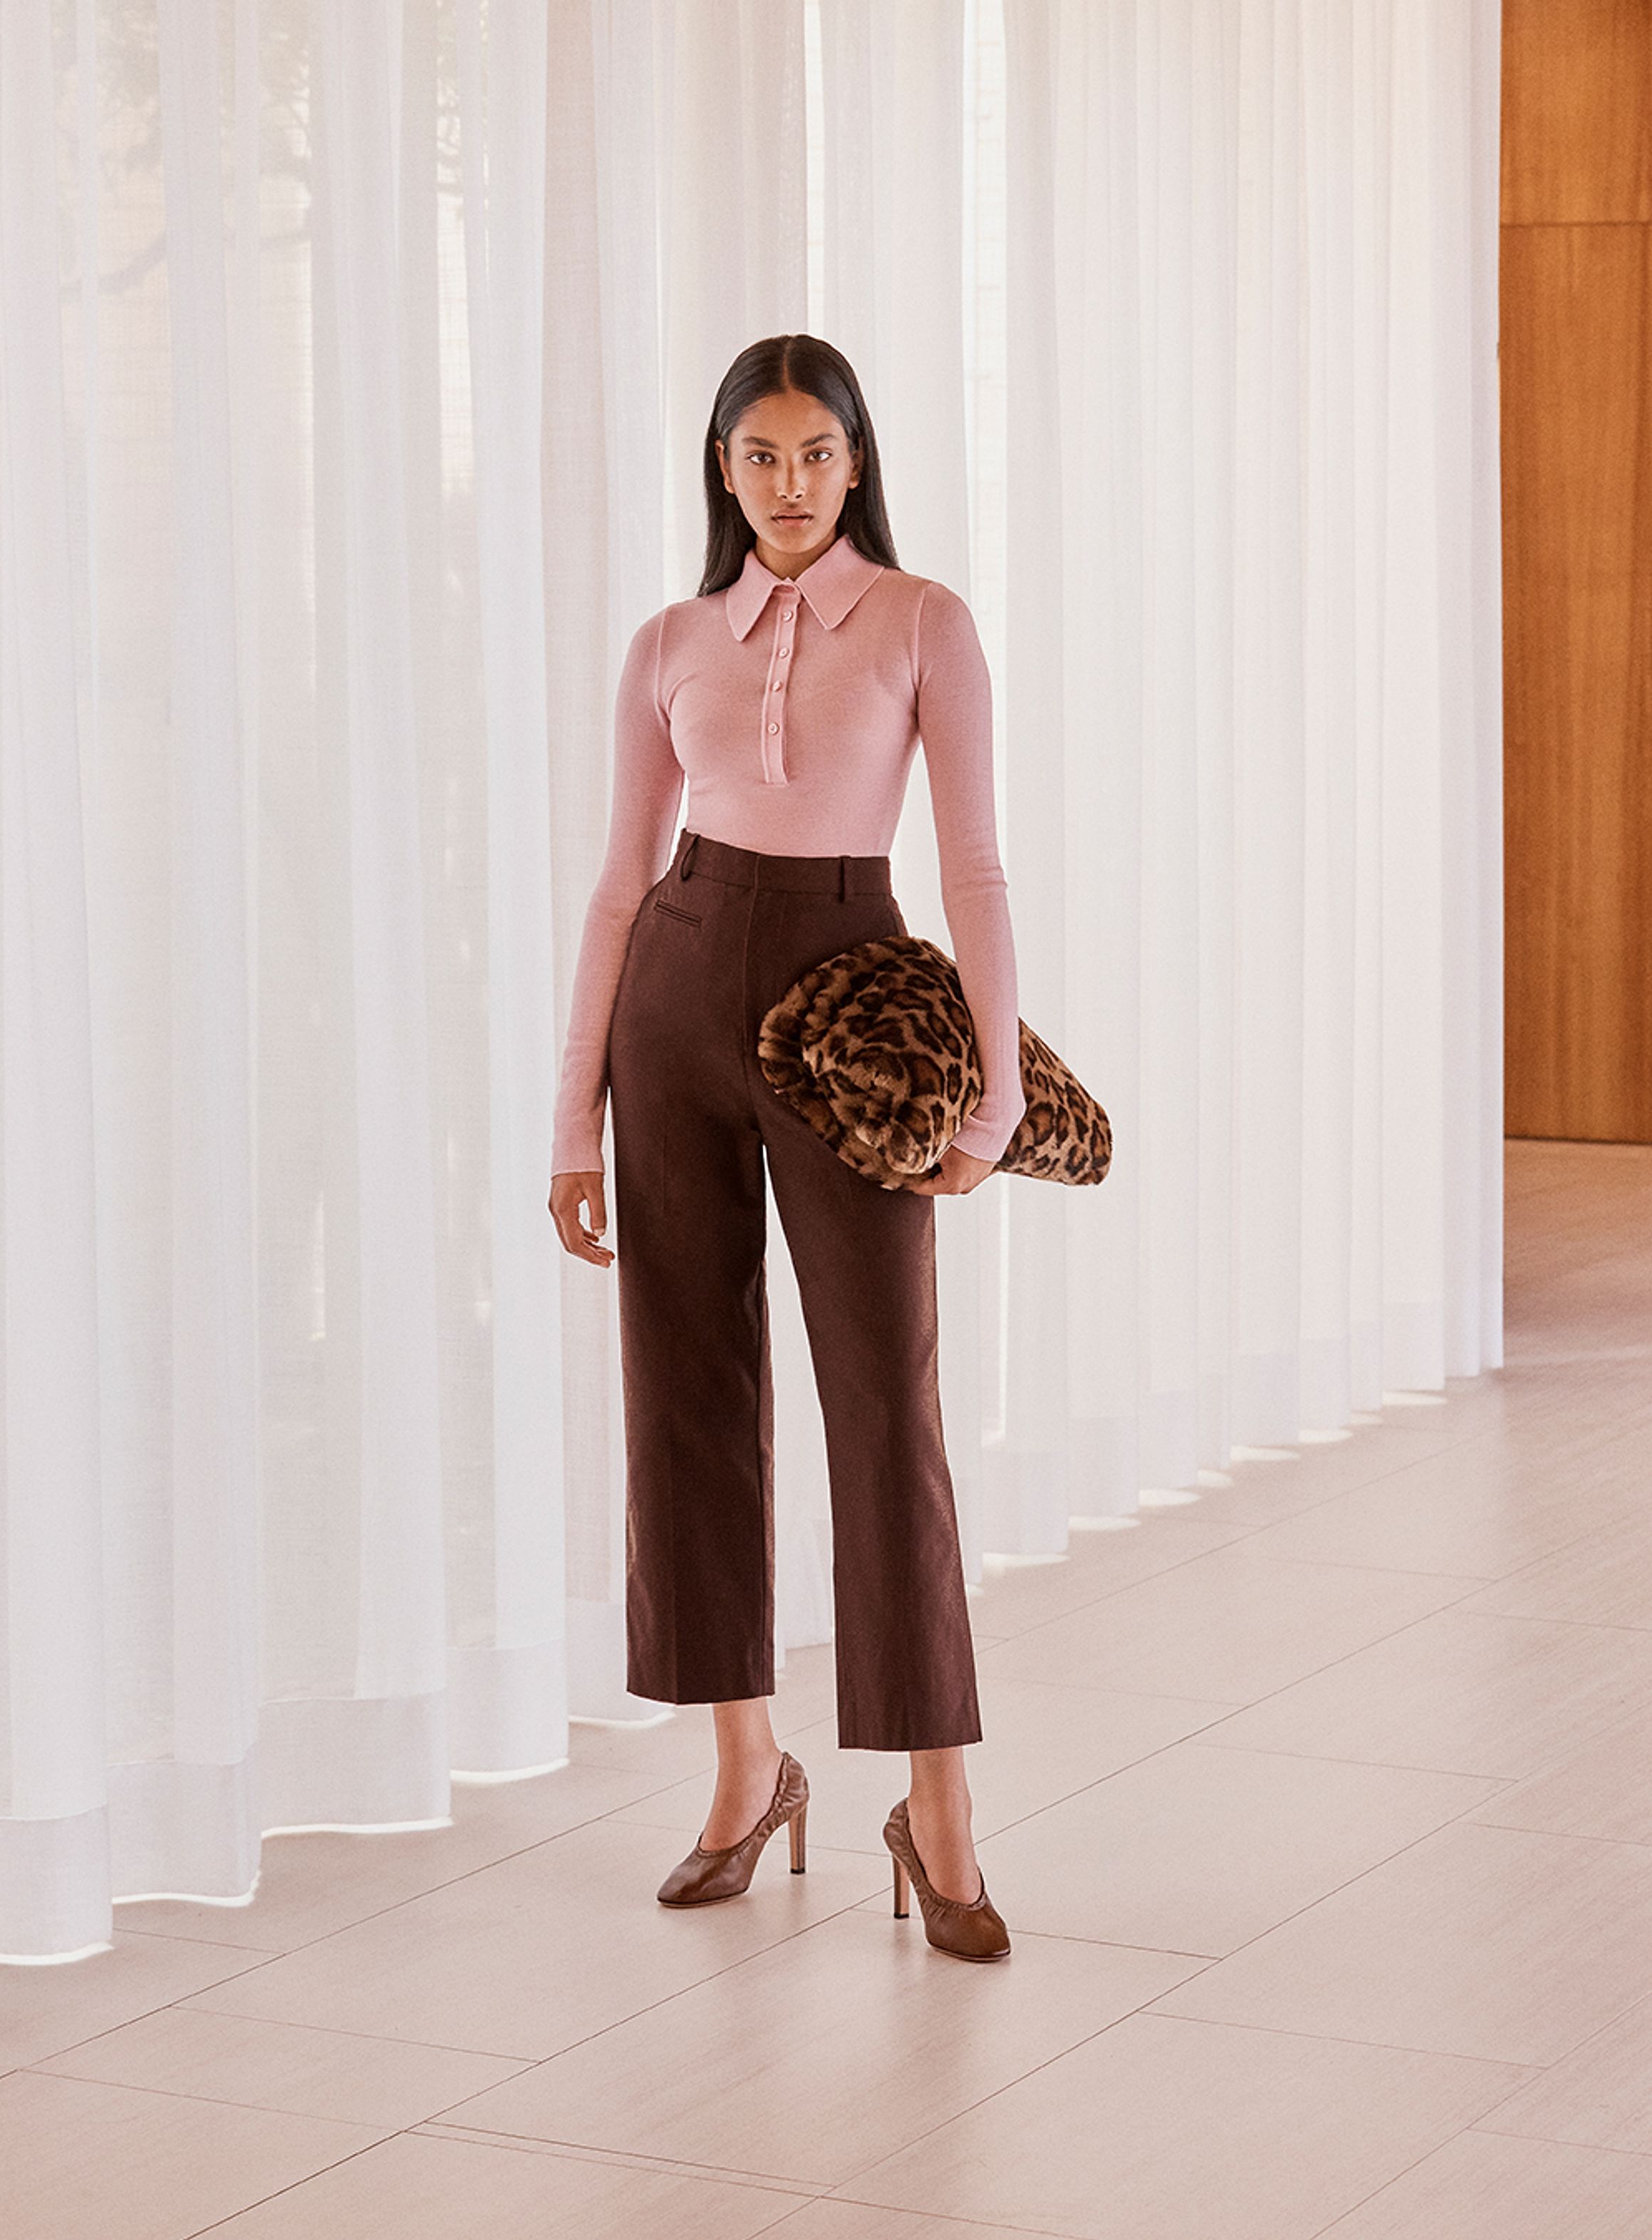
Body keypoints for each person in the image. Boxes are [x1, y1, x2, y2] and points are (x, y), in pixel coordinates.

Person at [548, 334, 1025, 1960]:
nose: (788, 486)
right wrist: (570, 1120)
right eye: (757, 457)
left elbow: (970, 869)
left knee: (884, 1399)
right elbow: (618, 881)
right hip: (670, 1005)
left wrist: (995, 1094)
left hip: (850, 996)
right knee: (682, 1393)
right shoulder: (669, 639)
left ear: (857, 461)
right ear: (721, 471)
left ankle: (938, 1804)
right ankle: (745, 1767)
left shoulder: (921, 623)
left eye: (815, 454)